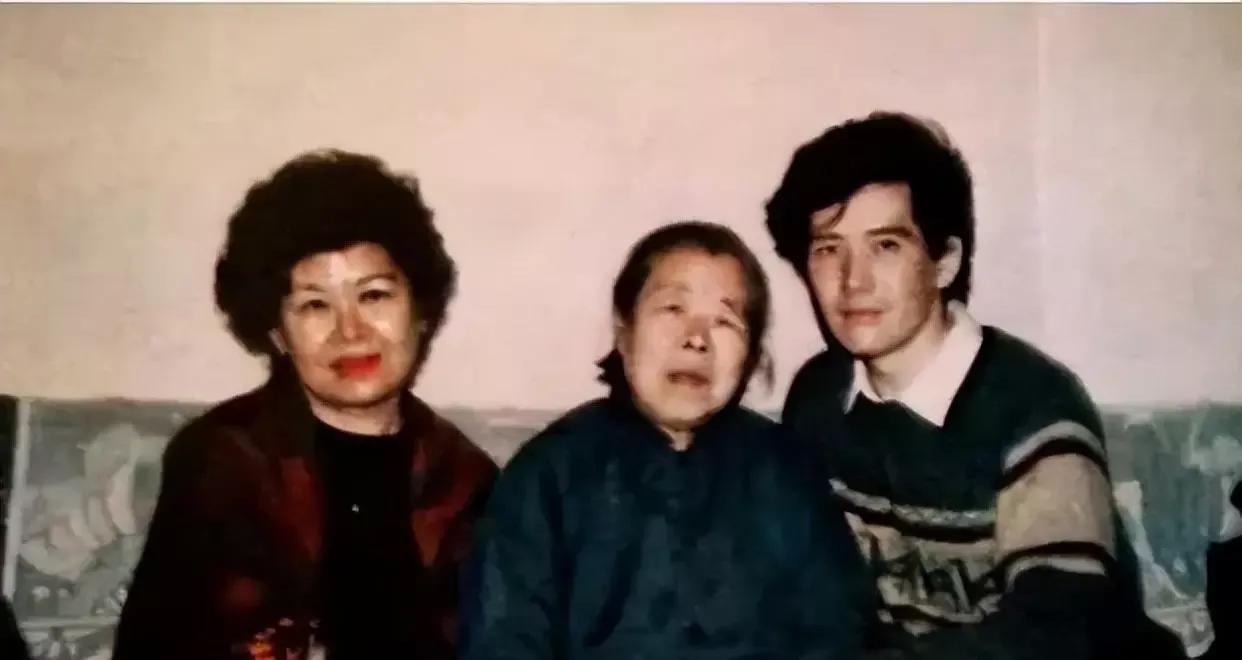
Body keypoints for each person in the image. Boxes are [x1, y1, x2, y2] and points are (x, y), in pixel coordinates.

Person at [765, 111, 1184, 659]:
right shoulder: (818, 398)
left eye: (885, 245)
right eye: (828, 249)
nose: (853, 280)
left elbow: (1059, 630)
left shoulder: (1034, 406)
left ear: (945, 261)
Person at [114, 150, 497, 659]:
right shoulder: (224, 459)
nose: (351, 331)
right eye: (315, 304)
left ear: (420, 310)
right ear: (277, 331)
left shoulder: (464, 478)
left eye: (374, 296)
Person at [461, 221, 872, 660]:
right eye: (673, 309)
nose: (696, 340)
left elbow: (840, 637)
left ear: (750, 356)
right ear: (624, 331)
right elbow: (502, 643)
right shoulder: (547, 477)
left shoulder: (787, 472)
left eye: (725, 321)